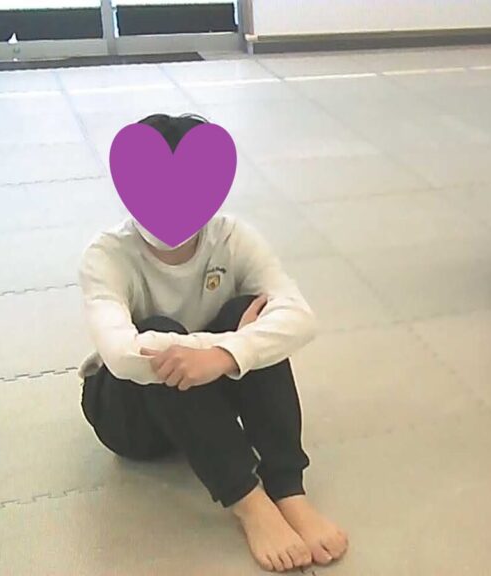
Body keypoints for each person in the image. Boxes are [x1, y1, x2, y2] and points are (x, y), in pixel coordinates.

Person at [78, 113, 348, 572]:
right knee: (162, 336)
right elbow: (122, 354)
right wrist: (228, 345)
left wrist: (223, 354)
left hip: (209, 399)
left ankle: (287, 488)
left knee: (251, 309)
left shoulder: (232, 237)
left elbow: (300, 316)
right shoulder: (106, 254)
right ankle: (249, 502)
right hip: (130, 416)